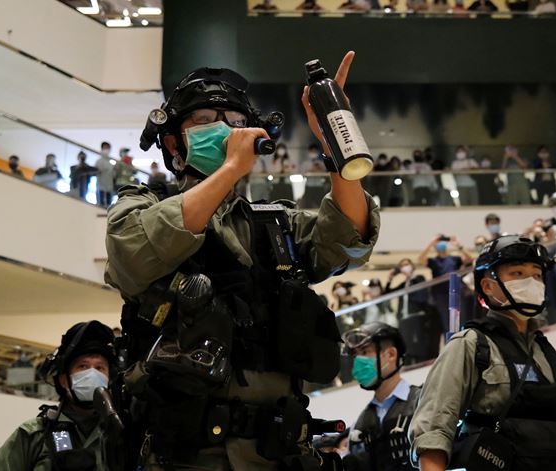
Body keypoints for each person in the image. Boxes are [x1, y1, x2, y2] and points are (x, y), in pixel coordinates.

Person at [107, 55, 379, 469]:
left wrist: (337, 146)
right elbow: (135, 254)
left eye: (233, 119)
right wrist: (232, 169)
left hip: (277, 452)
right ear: (172, 142)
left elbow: (349, 240)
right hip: (183, 455)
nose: (221, 129)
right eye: (202, 119)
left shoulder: (275, 224)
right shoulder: (140, 205)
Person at [410, 235, 556, 471]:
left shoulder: (544, 349)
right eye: (518, 274)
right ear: (488, 286)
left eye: (537, 275)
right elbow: (433, 431)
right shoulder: (470, 345)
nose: (531, 282)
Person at [0, 321, 118, 471]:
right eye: (83, 366)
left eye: (100, 368)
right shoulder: (33, 435)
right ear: (64, 380)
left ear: (109, 379)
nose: (92, 374)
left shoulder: (120, 436)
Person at [342, 323, 421, 471]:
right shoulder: (359, 424)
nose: (358, 361)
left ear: (391, 354)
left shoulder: (421, 402)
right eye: (356, 355)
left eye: (365, 352)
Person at [418, 235, 473, 331]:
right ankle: (451, 344)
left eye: (442, 241)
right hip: (441, 295)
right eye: (439, 242)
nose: (441, 244)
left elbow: (469, 259)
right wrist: (431, 243)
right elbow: (420, 259)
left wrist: (459, 245)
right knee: (447, 323)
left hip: (457, 293)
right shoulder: (433, 261)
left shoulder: (454, 259)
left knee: (461, 320)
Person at [301, 143, 331, 209]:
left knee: (320, 204)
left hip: (319, 186)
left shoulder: (321, 163)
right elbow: (303, 174)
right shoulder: (305, 163)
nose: (314, 153)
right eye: (312, 151)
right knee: (308, 205)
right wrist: (312, 170)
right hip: (309, 186)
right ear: (309, 152)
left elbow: (325, 174)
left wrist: (319, 169)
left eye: (315, 151)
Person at [95, 142, 116, 207]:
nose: (106, 150)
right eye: (105, 148)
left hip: (110, 187)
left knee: (109, 205)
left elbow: (114, 175)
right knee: (100, 205)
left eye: (107, 148)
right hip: (101, 187)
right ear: (102, 149)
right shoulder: (99, 161)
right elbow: (96, 172)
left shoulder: (112, 162)